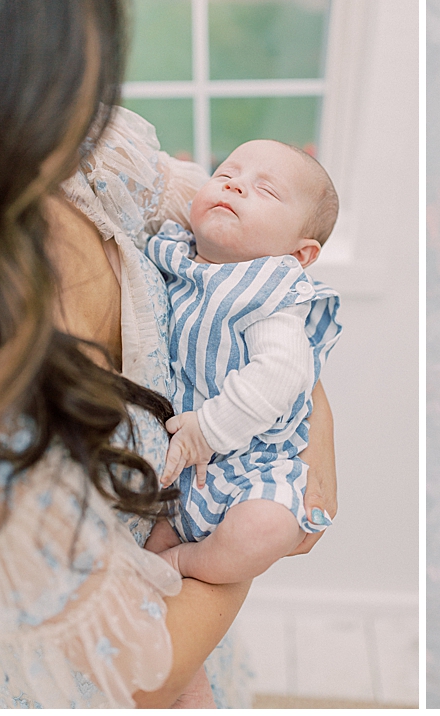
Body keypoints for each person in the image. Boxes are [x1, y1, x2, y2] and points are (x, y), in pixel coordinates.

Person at [0, 0, 337, 708]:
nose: (232, 187)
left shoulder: (101, 160)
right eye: (80, 59)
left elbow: (270, 320)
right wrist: (242, 547)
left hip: (187, 584)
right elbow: (142, 668)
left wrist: (313, 451)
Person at [141, 138, 342, 585]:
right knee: (141, 576)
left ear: (298, 255)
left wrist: (209, 431)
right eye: (225, 175)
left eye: (266, 191)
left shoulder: (270, 291)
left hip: (249, 465)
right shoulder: (171, 250)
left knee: (266, 527)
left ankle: (184, 564)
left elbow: (284, 373)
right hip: (177, 477)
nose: (234, 188)